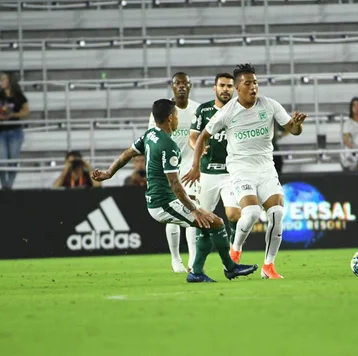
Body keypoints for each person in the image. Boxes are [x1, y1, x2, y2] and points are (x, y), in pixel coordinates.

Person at [92, 99, 258, 283]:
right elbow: (175, 185)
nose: (178, 118)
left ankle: (197, 272)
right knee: (216, 222)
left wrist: (109, 173)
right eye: (177, 115)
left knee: (205, 227)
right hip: (164, 203)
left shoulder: (150, 135)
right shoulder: (168, 145)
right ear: (171, 118)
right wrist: (194, 209)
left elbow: (127, 153)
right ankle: (230, 268)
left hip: (161, 200)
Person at [183, 64, 307, 279]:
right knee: (250, 213)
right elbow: (202, 136)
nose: (253, 87)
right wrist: (195, 166)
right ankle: (235, 251)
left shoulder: (269, 105)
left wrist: (296, 125)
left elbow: (293, 130)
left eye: (255, 82)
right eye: (247, 83)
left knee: (277, 213)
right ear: (238, 88)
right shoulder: (228, 111)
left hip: (266, 168)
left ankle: (269, 267)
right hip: (240, 169)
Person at [148, 72, 200, 273]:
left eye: (185, 83)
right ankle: (176, 259)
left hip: (189, 166)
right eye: (177, 83)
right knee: (174, 213)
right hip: (168, 166)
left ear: (190, 85)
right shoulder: (161, 111)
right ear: (172, 87)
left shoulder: (197, 109)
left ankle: (193, 260)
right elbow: (152, 139)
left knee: (191, 207)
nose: (181, 86)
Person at [189, 72, 241, 247]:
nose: (225, 89)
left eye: (229, 86)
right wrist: (198, 147)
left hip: (231, 173)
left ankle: (234, 251)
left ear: (234, 89)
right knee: (203, 218)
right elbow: (192, 137)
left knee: (234, 214)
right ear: (215, 88)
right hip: (207, 172)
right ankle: (196, 263)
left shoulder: (240, 110)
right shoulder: (203, 110)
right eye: (222, 85)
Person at [0, 72, 29, 190]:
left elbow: (26, 110)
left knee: (13, 160)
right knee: (1, 161)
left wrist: (14, 114)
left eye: (3, 79)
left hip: (15, 131)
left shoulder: (18, 95)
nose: (1, 82)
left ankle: (9, 185)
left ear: (9, 81)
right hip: (1, 131)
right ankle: (4, 184)